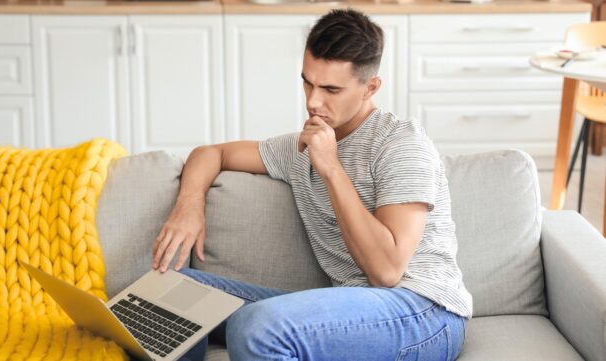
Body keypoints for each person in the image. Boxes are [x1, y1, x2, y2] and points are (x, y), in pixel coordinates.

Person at [152, 8, 473, 361]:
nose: (312, 101)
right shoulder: (300, 148)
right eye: (308, 82)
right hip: (353, 311)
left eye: (331, 89)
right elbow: (211, 154)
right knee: (166, 292)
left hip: (424, 312)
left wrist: (331, 168)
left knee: (256, 326)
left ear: (371, 87)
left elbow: (387, 270)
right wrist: (189, 205)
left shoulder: (400, 143)